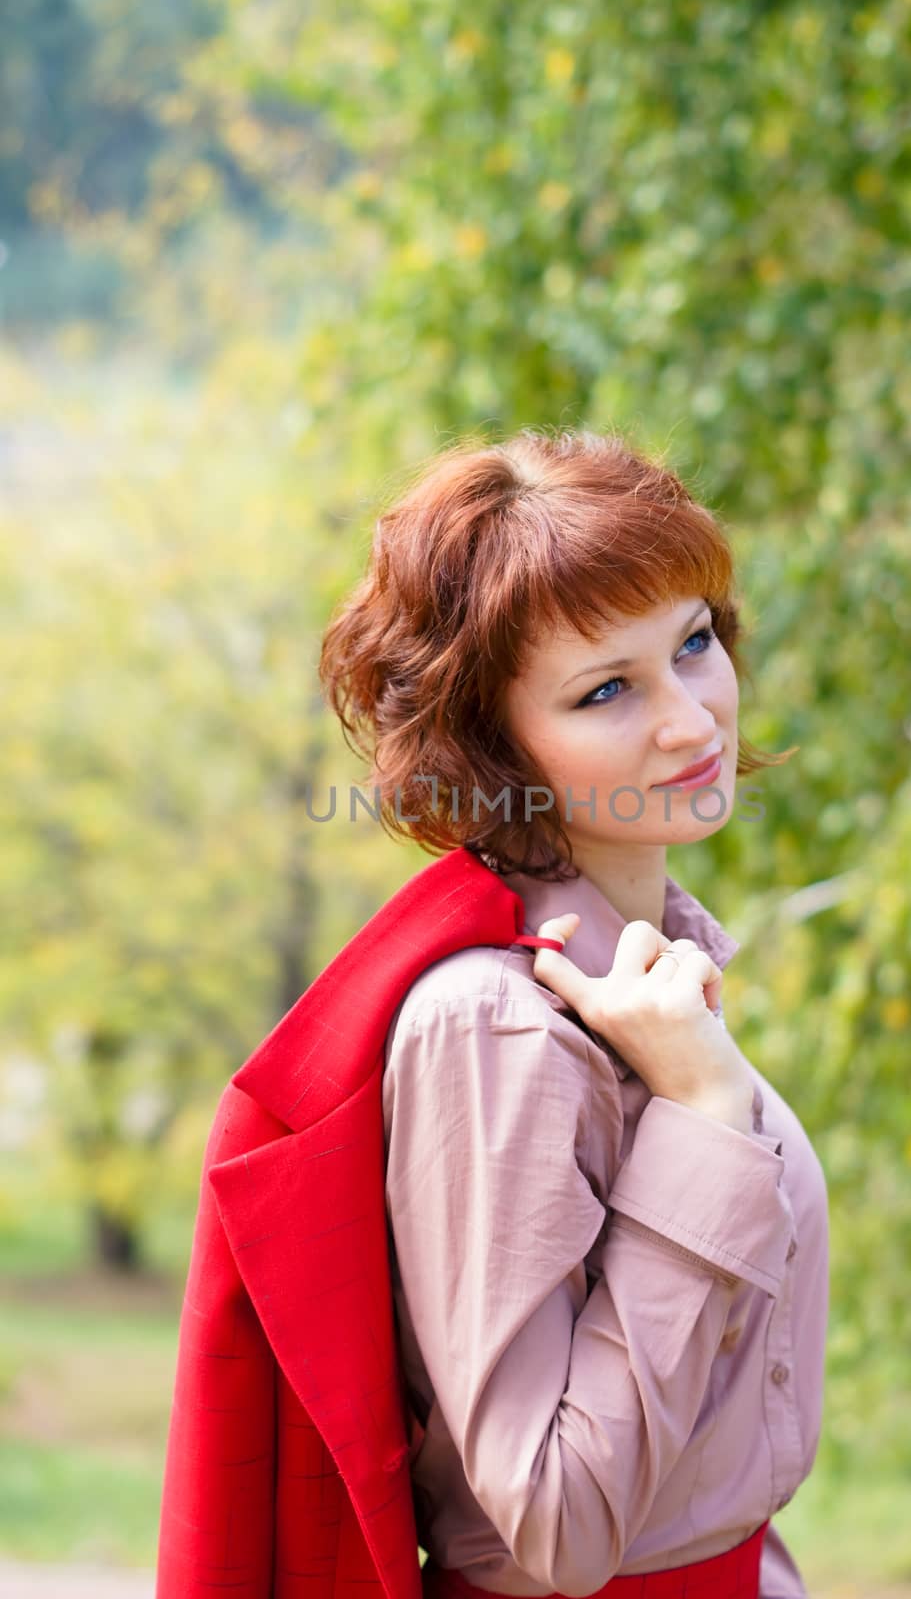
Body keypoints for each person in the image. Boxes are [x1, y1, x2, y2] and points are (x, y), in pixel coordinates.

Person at [317, 425, 830, 1599]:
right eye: (606, 688)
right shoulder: (495, 1025)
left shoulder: (649, 976)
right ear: (497, 747)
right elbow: (557, 1516)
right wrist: (701, 1113)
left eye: (692, 642)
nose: (692, 720)